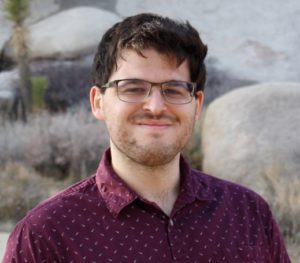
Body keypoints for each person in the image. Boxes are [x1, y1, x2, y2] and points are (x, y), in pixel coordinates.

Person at [2, 13, 290, 262]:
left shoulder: (248, 214)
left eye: (174, 89)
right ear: (98, 102)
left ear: (197, 105)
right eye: (133, 87)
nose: (155, 106)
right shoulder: (46, 236)